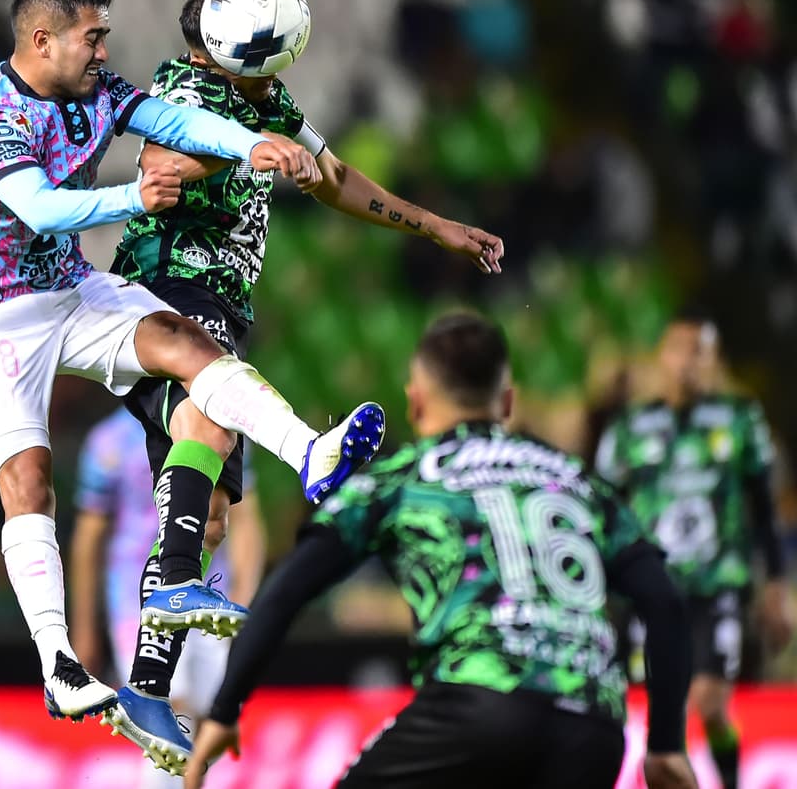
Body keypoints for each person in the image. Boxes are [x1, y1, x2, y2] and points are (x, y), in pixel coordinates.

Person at [0, 0, 387, 724]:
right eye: (92, 35)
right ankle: (59, 664)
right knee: (30, 479)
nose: (105, 48)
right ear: (43, 39)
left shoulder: (96, 91)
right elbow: (38, 208)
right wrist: (131, 199)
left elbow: (172, 124)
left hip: (66, 290)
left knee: (187, 341)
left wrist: (249, 145)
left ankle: (311, 452)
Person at [104, 0, 506, 770]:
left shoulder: (266, 100)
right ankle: (299, 465)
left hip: (215, 301)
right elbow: (165, 169)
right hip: (167, 287)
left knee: (207, 509)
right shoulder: (186, 86)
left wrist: (433, 227)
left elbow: (334, 179)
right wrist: (243, 153)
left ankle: (147, 688)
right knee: (206, 418)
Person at [184, 312, 699, 789]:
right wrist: (667, 745)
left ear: (417, 403)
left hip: (475, 703)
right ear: (508, 404)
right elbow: (666, 601)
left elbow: (288, 590)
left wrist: (226, 708)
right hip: (593, 724)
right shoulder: (577, 483)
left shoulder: (404, 479)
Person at [595, 308, 794, 789]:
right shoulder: (629, 429)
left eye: (701, 352)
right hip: (654, 590)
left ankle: (706, 775)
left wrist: (775, 585)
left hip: (717, 585)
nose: (690, 361)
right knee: (679, 711)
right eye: (682, 349)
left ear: (715, 361)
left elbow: (764, 508)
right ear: (663, 357)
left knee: (706, 701)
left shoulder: (740, 421)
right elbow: (601, 508)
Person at [70, 406, 264, 785]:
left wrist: (244, 598)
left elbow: (245, 519)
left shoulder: (219, 420)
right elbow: (88, 540)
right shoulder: (109, 443)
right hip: (135, 601)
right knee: (166, 707)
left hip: (210, 594)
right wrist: (83, 629)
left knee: (215, 713)